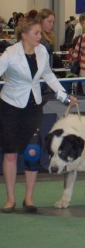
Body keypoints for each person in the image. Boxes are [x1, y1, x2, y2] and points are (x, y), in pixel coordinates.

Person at [1, 19, 76, 214]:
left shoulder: (42, 51)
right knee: (10, 154)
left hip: (33, 107)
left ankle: (29, 197)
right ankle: (10, 199)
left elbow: (49, 76)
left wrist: (65, 98)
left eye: (40, 33)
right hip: (10, 107)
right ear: (24, 35)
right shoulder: (10, 54)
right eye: (36, 33)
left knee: (32, 151)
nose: (40, 36)